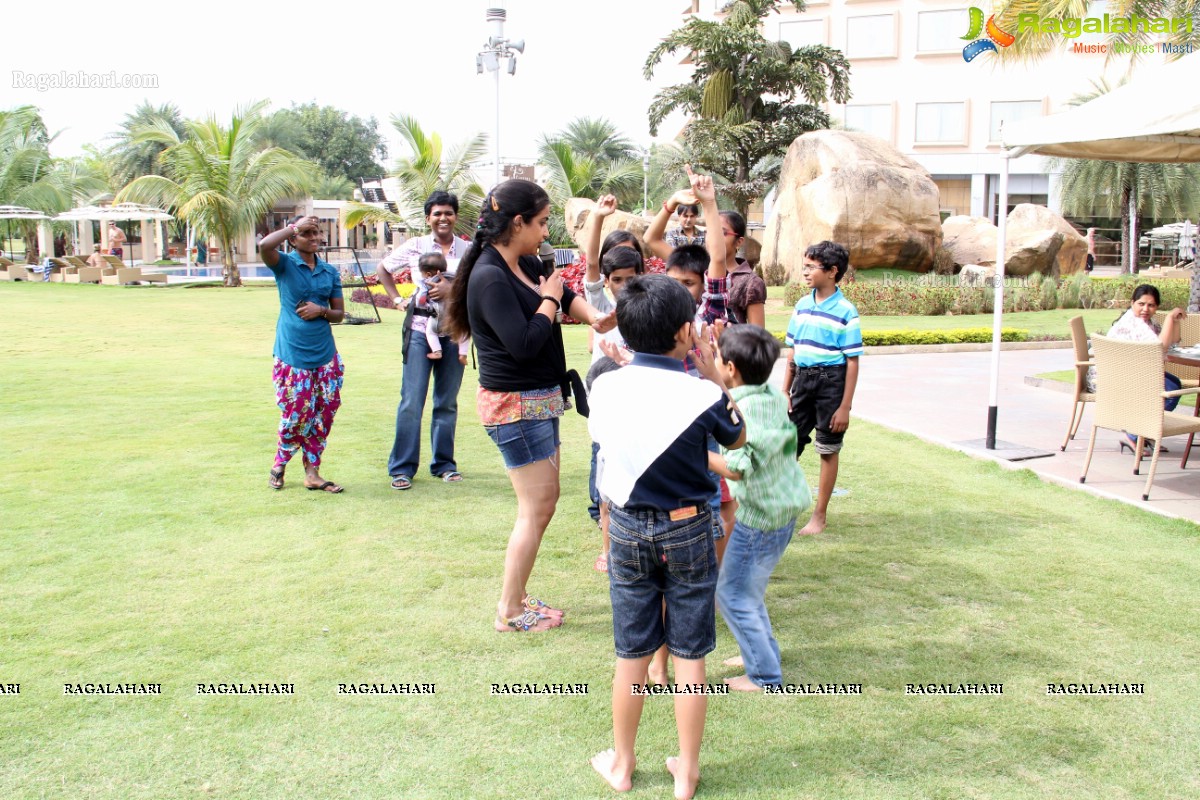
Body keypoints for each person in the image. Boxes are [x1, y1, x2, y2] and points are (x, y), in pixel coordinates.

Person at [587, 274, 745, 800]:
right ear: (686, 331)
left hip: (627, 528)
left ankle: (624, 764)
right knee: (690, 658)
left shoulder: (604, 383)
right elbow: (738, 436)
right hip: (689, 527)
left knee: (631, 655)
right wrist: (714, 377)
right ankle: (688, 770)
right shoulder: (701, 393)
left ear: (625, 333)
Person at [444, 179, 614, 633]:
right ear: (517, 222)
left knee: (544, 502)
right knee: (536, 506)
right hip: (514, 407)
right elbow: (523, 343)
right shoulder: (488, 276)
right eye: (540, 223)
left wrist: (597, 318)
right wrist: (550, 300)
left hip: (539, 403)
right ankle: (510, 611)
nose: (545, 233)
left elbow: (563, 292)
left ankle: (517, 597)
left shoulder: (524, 262)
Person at [706, 325, 811, 692]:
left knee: (732, 593)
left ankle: (764, 675)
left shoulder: (746, 412)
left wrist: (695, 454)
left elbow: (736, 467)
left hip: (761, 518)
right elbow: (729, 392)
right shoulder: (766, 393)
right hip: (781, 510)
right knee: (748, 590)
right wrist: (715, 351)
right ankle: (760, 651)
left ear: (731, 368)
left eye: (717, 358)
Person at [377, 191, 472, 490]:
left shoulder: (468, 250)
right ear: (428, 217)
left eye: (448, 213)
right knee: (411, 400)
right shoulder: (416, 246)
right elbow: (383, 268)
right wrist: (396, 299)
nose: (443, 218)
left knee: (447, 402)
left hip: (455, 331)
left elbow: (476, 283)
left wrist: (452, 292)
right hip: (421, 331)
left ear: (455, 216)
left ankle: (444, 464)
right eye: (437, 213)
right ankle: (402, 468)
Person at [259, 215, 346, 494]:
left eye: (316, 233)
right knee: (297, 412)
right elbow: (264, 245)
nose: (313, 238)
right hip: (292, 353)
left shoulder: (329, 272)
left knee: (324, 413)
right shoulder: (284, 264)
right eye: (306, 233)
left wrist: (319, 310)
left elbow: (339, 314)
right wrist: (292, 227)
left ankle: (313, 472)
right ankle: (280, 462)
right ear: (293, 239)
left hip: (325, 353)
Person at [783, 240, 862, 536]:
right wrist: (784, 389)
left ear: (831, 271)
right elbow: (792, 351)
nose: (804, 272)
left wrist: (844, 406)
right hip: (802, 381)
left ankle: (819, 515)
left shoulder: (845, 311)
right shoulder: (802, 305)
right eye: (804, 266)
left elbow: (852, 362)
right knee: (789, 444)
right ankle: (782, 503)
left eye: (810, 267)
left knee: (828, 448)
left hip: (832, 383)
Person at [1087, 284, 1187, 453]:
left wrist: (1175, 321)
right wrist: (1169, 318)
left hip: (1127, 374)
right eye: (1141, 304)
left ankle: (1144, 434)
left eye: (1151, 305)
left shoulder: (1148, 323)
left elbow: (1174, 340)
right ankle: (1135, 435)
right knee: (1170, 391)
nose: (1145, 309)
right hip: (1111, 379)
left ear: (1156, 307)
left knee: (1173, 383)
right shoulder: (1133, 323)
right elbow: (1160, 346)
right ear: (1132, 303)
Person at [411, 252, 468, 363]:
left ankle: (437, 351)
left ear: (427, 274)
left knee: (431, 332)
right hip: (454, 315)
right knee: (463, 331)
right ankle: (463, 354)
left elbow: (421, 300)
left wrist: (418, 301)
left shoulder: (428, 282)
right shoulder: (454, 278)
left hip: (438, 316)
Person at [721, 211, 767, 327]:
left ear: (739, 242)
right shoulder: (698, 272)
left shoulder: (751, 282)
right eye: (710, 232)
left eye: (722, 232)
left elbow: (756, 334)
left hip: (731, 344)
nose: (714, 237)